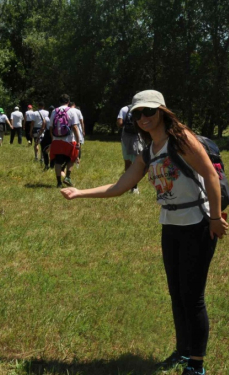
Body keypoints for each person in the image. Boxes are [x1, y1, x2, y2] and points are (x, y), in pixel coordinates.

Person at [61, 90, 228, 375]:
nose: (143, 118)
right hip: (171, 225)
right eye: (137, 114)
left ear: (162, 110)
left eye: (148, 111)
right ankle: (183, 351)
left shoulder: (181, 140)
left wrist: (215, 217)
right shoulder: (149, 151)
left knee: (193, 296)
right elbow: (119, 186)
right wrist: (80, 193)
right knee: (177, 293)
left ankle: (196, 366)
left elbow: (211, 176)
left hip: (197, 224)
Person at [49, 94, 81, 187]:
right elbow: (75, 126)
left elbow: (51, 127)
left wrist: (53, 139)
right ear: (68, 101)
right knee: (72, 158)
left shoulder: (54, 111)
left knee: (58, 161)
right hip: (69, 140)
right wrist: (78, 141)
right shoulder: (71, 111)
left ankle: (59, 182)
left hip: (56, 140)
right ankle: (67, 177)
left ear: (59, 102)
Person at [117, 101, 144, 194]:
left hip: (126, 137)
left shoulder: (125, 109)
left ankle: (127, 185)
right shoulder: (142, 109)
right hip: (137, 137)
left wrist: (126, 124)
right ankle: (134, 187)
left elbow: (119, 123)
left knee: (127, 162)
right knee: (137, 162)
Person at [40, 105, 55, 169]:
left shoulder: (46, 118)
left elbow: (43, 128)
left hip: (47, 134)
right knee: (54, 151)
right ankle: (52, 165)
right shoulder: (56, 118)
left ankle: (46, 164)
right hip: (55, 134)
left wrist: (38, 136)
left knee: (44, 149)